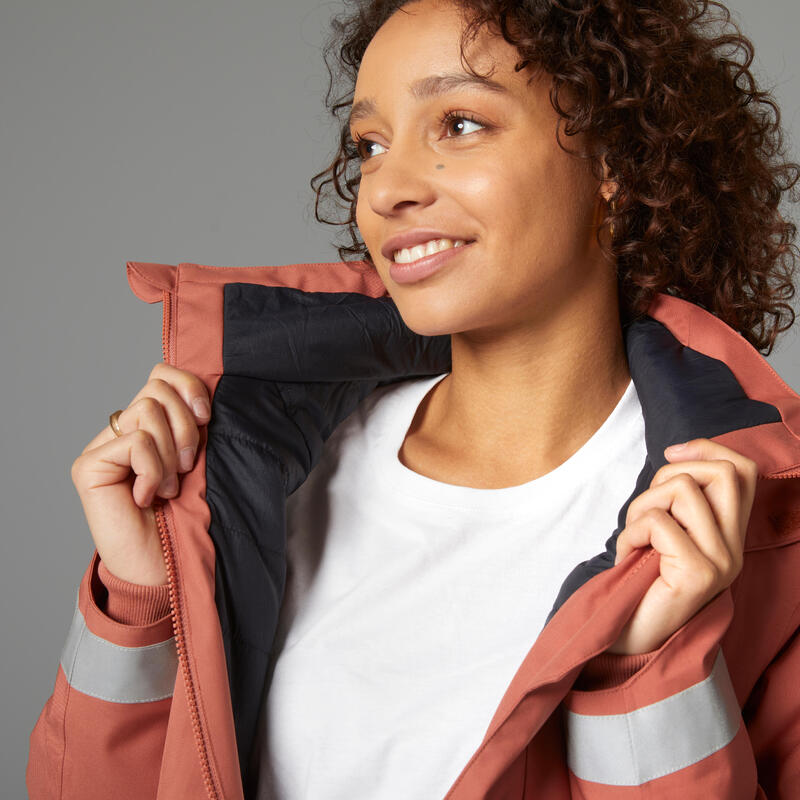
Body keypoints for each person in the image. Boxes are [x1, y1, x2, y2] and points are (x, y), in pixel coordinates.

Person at [27, 0, 800, 798]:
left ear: (615, 161)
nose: (387, 187)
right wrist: (141, 599)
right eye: (370, 144)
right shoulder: (252, 480)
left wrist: (645, 676)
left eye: (460, 123)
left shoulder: (763, 530)